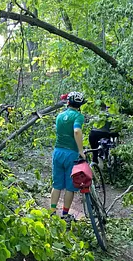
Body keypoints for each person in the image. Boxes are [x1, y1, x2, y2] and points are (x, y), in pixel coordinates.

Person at [50, 91, 86, 222]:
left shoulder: (60, 116)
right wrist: (81, 151)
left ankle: (52, 212)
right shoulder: (78, 116)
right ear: (79, 105)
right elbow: (76, 131)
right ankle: (65, 214)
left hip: (58, 152)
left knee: (57, 184)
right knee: (70, 186)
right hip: (71, 153)